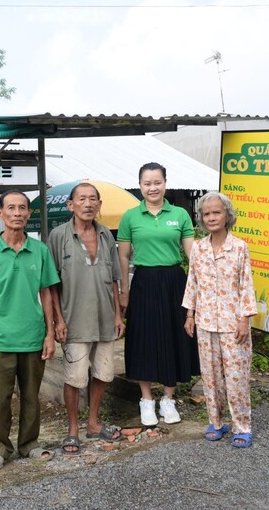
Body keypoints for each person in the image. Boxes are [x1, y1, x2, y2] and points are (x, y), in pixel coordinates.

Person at [0, 190, 61, 471]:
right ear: (0, 214)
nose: (18, 213)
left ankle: (29, 444)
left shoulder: (40, 250)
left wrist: (49, 333)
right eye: (11, 208)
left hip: (33, 336)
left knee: (32, 397)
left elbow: (47, 292)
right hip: (0, 338)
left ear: (28, 214)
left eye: (23, 208)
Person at [117, 162, 199, 426]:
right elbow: (123, 256)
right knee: (143, 339)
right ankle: (146, 400)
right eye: (147, 183)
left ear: (165, 183)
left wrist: (199, 290)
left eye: (157, 182)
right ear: (140, 185)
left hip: (174, 281)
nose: (152, 188)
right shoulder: (130, 216)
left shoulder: (180, 214)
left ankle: (168, 399)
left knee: (173, 337)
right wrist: (124, 292)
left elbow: (193, 257)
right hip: (143, 282)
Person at [48, 183, 125, 454]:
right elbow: (51, 283)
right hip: (74, 320)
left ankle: (93, 424)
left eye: (93, 199)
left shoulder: (105, 235)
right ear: (71, 205)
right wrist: (58, 320)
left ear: (99, 204)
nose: (88, 204)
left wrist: (118, 314)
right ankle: (72, 430)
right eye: (82, 199)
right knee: (75, 377)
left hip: (105, 319)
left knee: (103, 374)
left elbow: (114, 279)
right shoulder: (58, 236)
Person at [182, 191, 257, 448]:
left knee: (236, 377)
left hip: (233, 324)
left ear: (227, 215)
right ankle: (216, 422)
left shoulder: (239, 247)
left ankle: (242, 425)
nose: (211, 217)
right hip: (204, 322)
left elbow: (246, 285)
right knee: (211, 377)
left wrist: (245, 319)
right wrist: (189, 314)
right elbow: (193, 282)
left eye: (216, 212)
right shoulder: (199, 248)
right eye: (207, 214)